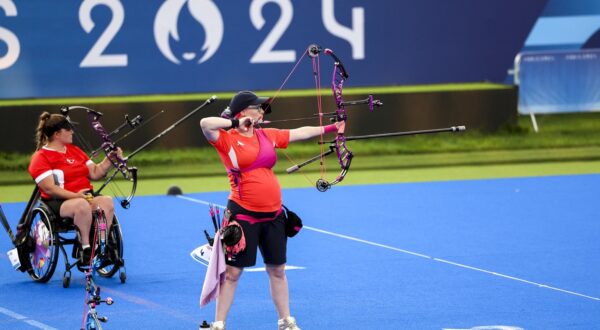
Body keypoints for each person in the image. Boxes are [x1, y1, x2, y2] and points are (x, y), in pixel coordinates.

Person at [199, 91, 341, 330]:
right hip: (243, 214)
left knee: (277, 270)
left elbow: (298, 133)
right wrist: (235, 123)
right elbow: (205, 123)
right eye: (258, 108)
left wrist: (331, 128)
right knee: (233, 273)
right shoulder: (226, 139)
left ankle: (285, 321)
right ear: (244, 111)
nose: (262, 112)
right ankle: (219, 324)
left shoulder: (267, 135)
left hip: (274, 214)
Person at [27, 112, 120, 266]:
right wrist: (76, 196)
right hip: (59, 202)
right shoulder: (41, 157)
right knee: (81, 205)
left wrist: (110, 159)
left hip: (84, 197)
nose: (72, 132)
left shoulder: (75, 150)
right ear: (57, 134)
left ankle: (103, 247)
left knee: (107, 202)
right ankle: (85, 249)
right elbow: (49, 188)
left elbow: (96, 172)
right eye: (68, 129)